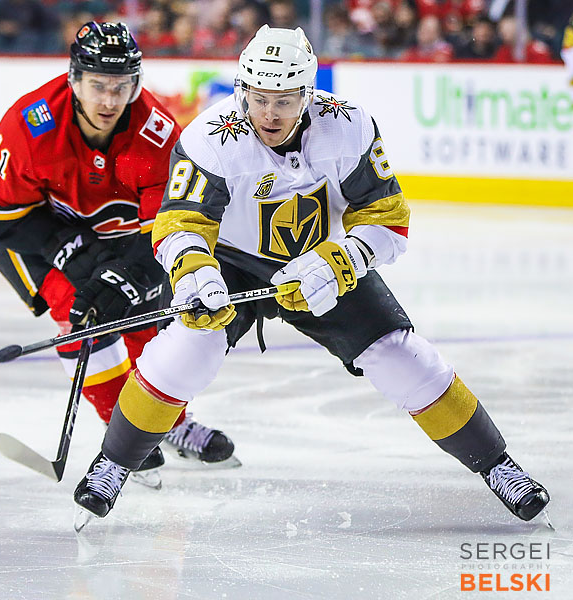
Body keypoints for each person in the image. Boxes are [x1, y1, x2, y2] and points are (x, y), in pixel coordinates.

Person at [73, 25, 551, 522]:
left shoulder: (348, 126)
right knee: (186, 348)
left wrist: (342, 260)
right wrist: (195, 272)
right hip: (232, 264)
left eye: (284, 99)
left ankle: (499, 466)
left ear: (309, 93)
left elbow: (388, 217)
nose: (269, 113)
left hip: (326, 259)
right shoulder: (210, 138)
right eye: (259, 98)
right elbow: (180, 223)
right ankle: (112, 465)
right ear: (242, 91)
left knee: (401, 357)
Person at [0, 21, 238, 485]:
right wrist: (70, 254)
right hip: (27, 231)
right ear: (74, 79)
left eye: (121, 87)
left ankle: (167, 425)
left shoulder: (156, 135)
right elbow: (1, 215)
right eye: (98, 85)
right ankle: (123, 437)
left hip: (122, 234)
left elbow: (169, 224)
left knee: (145, 315)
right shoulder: (29, 127)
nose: (110, 101)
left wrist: (133, 273)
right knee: (76, 309)